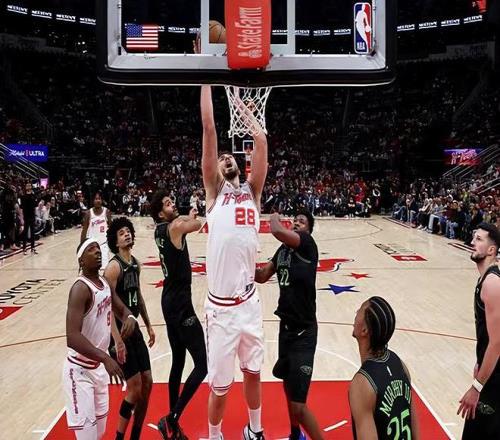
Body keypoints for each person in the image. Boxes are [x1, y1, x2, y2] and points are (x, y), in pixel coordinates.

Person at [200, 82, 268, 440]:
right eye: (221, 158)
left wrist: (241, 106)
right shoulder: (214, 193)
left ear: (238, 165)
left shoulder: (252, 192)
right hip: (221, 310)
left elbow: (261, 140)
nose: (225, 159)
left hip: (249, 304)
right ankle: (215, 436)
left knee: (254, 373)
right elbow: (210, 129)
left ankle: (255, 430)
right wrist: (206, 77)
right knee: (221, 387)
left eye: (230, 157)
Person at [255, 211, 323, 440]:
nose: (296, 223)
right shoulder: (283, 251)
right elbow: (262, 275)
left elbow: (276, 229)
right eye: (295, 220)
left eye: (301, 222)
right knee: (287, 384)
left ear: (309, 230)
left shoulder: (307, 244)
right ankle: (295, 434)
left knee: (299, 407)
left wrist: (273, 214)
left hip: (304, 333)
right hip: (286, 329)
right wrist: (241, 265)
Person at [62, 239, 137, 439]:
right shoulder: (80, 289)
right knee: (88, 436)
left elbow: (121, 309)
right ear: (81, 261)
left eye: (97, 248)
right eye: (91, 249)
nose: (97, 251)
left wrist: (130, 318)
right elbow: (72, 337)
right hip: (79, 371)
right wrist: (105, 358)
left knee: (100, 431)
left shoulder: (104, 283)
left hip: (98, 369)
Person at [150, 190, 207, 440]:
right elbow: (197, 224)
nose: (172, 204)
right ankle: (172, 418)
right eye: (167, 204)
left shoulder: (159, 230)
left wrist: (185, 216)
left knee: (178, 361)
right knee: (203, 365)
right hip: (182, 305)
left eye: (171, 201)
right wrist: (192, 216)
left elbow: (182, 222)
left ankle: (173, 428)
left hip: (168, 301)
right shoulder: (174, 227)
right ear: (160, 213)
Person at [104, 217, 155, 440]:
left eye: (128, 231)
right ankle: (119, 437)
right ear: (115, 242)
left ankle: (135, 434)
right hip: (118, 332)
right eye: (121, 233)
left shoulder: (135, 263)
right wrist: (116, 340)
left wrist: (149, 325)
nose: (127, 234)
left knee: (147, 383)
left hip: (134, 330)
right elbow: (106, 307)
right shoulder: (113, 267)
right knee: (134, 389)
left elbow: (138, 297)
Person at [349, 297, 419, 439]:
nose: (356, 313)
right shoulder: (399, 363)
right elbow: (413, 422)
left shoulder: (362, 383)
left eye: (359, 311)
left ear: (364, 330)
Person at [458, 223, 500, 438]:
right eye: (474, 237)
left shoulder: (492, 283)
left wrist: (477, 386)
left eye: (479, 239)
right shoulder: (484, 280)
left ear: (491, 250)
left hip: (495, 381)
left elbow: (497, 343)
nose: (472, 242)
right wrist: (480, 361)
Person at [81, 191, 112, 263]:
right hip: (92, 245)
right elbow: (84, 231)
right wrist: (82, 246)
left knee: (104, 266)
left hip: (103, 244)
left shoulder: (106, 212)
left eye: (99, 199)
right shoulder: (88, 213)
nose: (98, 201)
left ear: (102, 200)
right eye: (96, 199)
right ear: (93, 201)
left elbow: (111, 228)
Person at [20, 182, 37, 255]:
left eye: (30, 185)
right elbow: (21, 208)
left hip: (32, 216)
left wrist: (35, 216)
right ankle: (24, 248)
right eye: (27, 185)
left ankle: (33, 248)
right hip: (26, 217)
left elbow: (35, 207)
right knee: (25, 233)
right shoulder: (23, 196)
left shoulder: (33, 196)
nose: (29, 186)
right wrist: (21, 218)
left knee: (33, 233)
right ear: (25, 187)